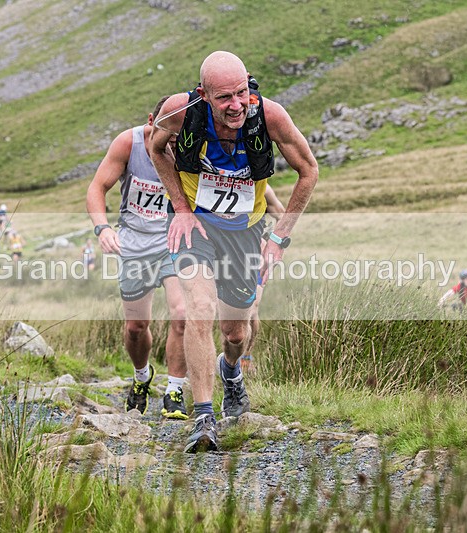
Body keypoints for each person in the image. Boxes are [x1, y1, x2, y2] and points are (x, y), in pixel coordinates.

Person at [150, 51, 318, 453]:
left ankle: (231, 372)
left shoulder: (270, 116)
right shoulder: (180, 110)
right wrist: (180, 210)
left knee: (235, 331)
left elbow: (309, 170)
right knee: (200, 310)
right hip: (198, 228)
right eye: (225, 97)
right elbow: (156, 148)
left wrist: (279, 237)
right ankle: (204, 417)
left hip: (245, 232)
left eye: (242, 93)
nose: (236, 105)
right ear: (204, 94)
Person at [86, 96, 189, 420]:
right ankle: (142, 377)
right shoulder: (127, 143)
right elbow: (97, 187)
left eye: (177, 133)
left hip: (173, 241)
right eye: (166, 130)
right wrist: (102, 229)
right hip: (134, 243)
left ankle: (174, 390)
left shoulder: (187, 148)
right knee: (135, 326)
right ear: (150, 120)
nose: (171, 139)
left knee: (182, 314)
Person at [241, 184, 286, 374]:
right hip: (221, 253)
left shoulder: (263, 189)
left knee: (252, 307)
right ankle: (226, 357)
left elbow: (282, 215)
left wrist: (273, 246)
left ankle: (245, 357)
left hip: (254, 254)